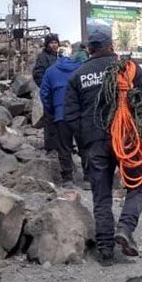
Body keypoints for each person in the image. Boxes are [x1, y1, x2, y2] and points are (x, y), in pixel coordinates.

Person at [64, 26, 142, 266]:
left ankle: (105, 250)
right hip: (126, 138)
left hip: (94, 143)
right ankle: (125, 228)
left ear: (90, 49)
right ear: (111, 46)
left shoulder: (78, 76)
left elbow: (70, 115)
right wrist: (131, 114)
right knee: (139, 185)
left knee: (101, 194)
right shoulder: (128, 68)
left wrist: (84, 141)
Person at [39, 50, 85, 186]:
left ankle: (68, 179)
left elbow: (44, 93)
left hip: (61, 113)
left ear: (58, 57)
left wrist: (51, 109)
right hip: (79, 113)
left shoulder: (51, 71)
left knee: (64, 147)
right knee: (84, 146)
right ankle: (88, 178)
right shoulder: (81, 68)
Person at [33, 33, 61, 151]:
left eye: (55, 42)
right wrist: (46, 88)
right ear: (47, 44)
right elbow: (38, 74)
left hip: (59, 94)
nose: (54, 45)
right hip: (50, 94)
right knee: (49, 120)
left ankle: (60, 145)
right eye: (51, 43)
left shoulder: (58, 56)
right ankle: (50, 147)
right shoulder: (43, 57)